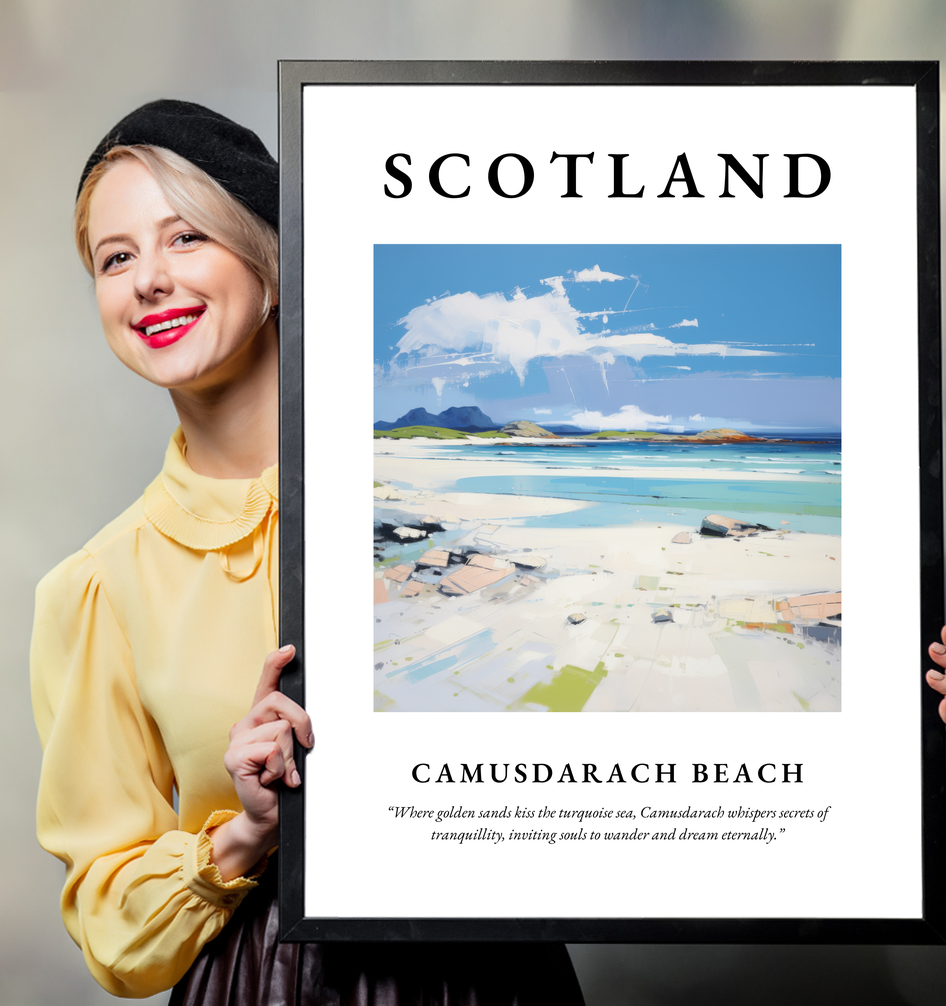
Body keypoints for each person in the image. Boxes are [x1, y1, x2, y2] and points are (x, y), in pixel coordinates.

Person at [30, 100, 586, 1004]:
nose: (148, 281)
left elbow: (599, 708)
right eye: (116, 257)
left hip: (493, 973)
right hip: (262, 982)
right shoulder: (98, 586)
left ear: (273, 263)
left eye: (185, 238)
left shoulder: (443, 505)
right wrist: (245, 832)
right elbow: (110, 923)